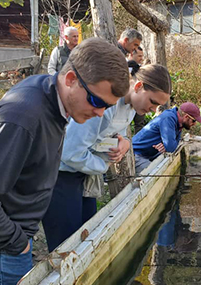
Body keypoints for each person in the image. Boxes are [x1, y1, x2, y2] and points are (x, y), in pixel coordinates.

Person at [0, 37, 130, 285]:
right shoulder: (23, 116)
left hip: (12, 240)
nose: (99, 112)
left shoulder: (53, 100)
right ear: (71, 78)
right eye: (96, 101)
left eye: (107, 107)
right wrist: (17, 242)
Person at [42, 64, 172, 252]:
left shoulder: (131, 107)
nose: (153, 109)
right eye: (152, 102)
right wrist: (103, 165)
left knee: (86, 234)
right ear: (138, 87)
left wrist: (125, 142)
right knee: (66, 244)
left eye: (158, 106)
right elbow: (70, 152)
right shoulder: (107, 104)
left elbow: (116, 132)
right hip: (61, 174)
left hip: (85, 173)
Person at [132, 102, 201, 173]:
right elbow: (171, 148)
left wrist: (167, 145)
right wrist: (168, 145)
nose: (194, 124)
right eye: (194, 120)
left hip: (150, 154)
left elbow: (175, 142)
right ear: (186, 117)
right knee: (154, 175)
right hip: (137, 154)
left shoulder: (180, 122)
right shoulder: (168, 118)